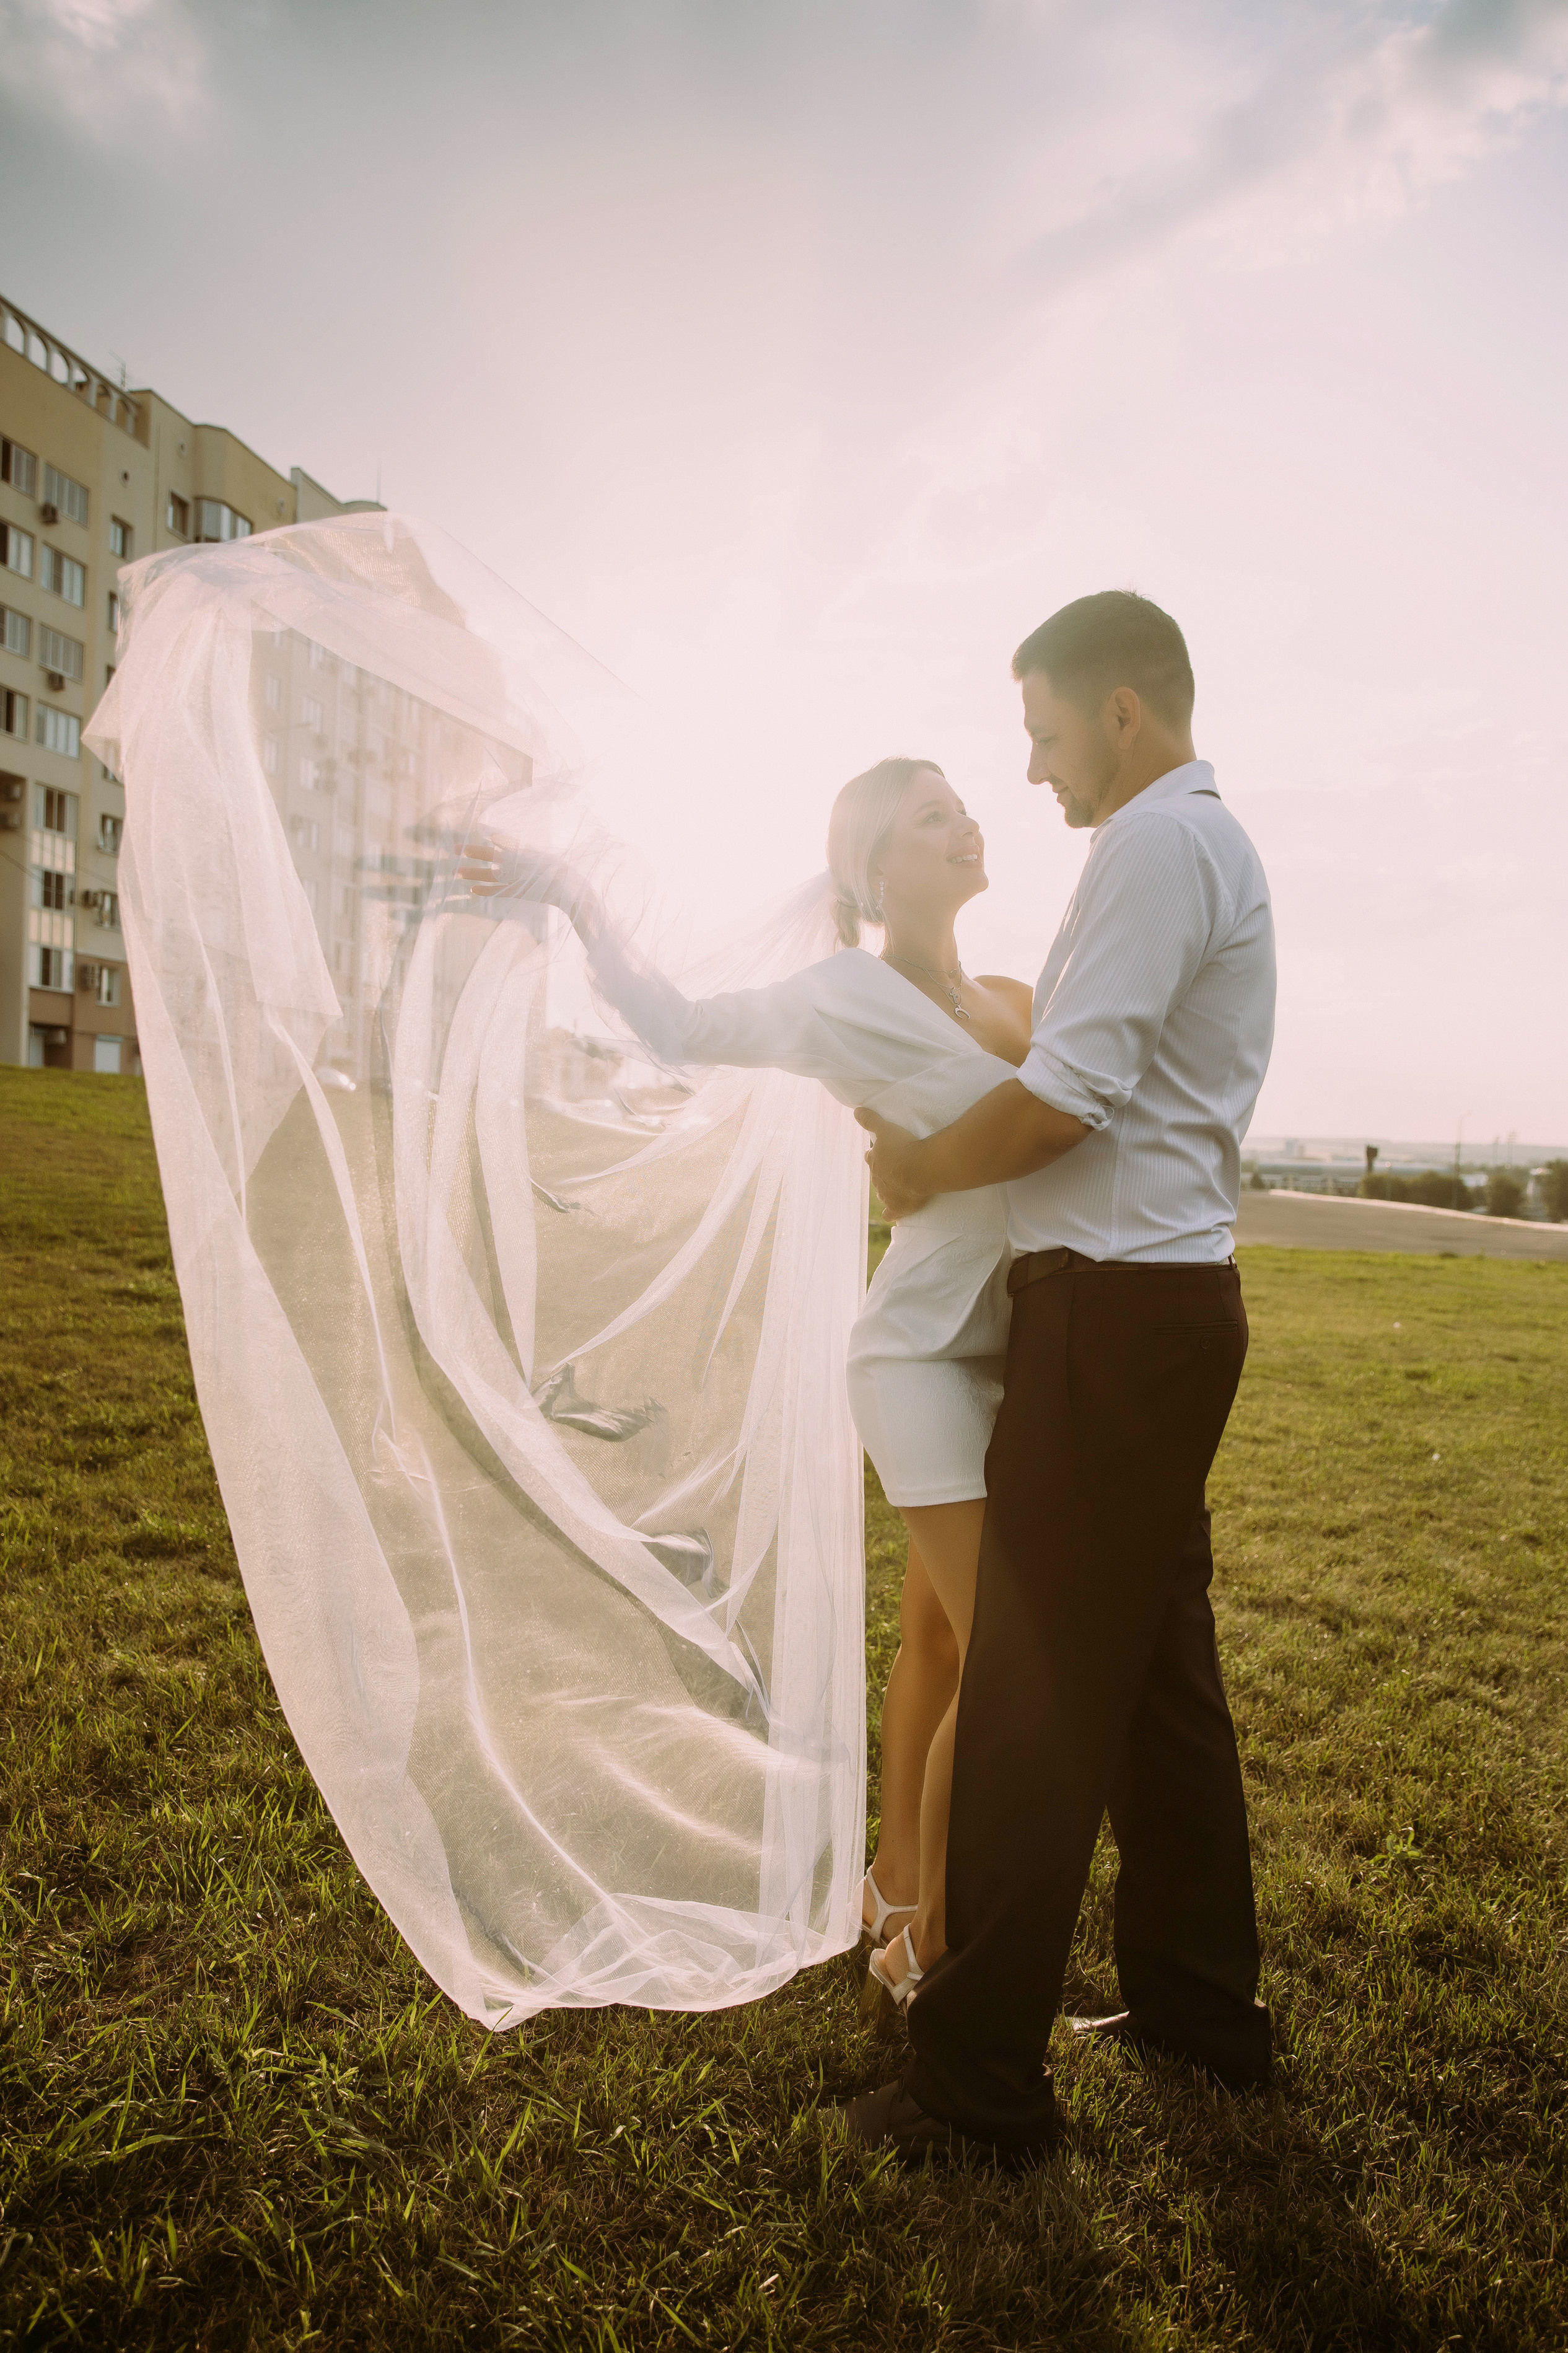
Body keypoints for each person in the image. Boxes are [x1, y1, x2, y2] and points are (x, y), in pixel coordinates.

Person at [460, 756, 1035, 1999]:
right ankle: (925, 1955)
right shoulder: (840, 994)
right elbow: (678, 1026)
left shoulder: (1012, 998)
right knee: (1005, 1654)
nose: (964, 821)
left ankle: (896, 1886)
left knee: (937, 1636)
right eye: (932, 815)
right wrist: (570, 894)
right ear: (875, 870)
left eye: (963, 804)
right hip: (924, 1352)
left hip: (1015, 1350)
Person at [847, 591, 1276, 2165]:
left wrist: (915, 1167)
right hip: (1149, 1312)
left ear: (1120, 713)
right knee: (1163, 1683)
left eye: (1038, 734)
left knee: (1029, 1693)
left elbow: (1069, 1102)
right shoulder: (1179, 843)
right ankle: (1199, 2011)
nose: (1029, 773)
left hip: (1114, 1319)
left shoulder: (1163, 848)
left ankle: (973, 2091)